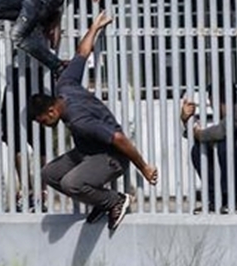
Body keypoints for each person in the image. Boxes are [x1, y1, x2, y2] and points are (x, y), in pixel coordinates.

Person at [27, 12, 158, 231]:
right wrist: (95, 27)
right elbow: (82, 53)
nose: (44, 126)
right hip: (86, 153)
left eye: (43, 122)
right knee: (49, 173)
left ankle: (114, 200)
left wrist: (143, 167)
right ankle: (100, 200)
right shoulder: (65, 86)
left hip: (111, 157)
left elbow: (118, 138)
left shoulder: (79, 120)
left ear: (51, 112)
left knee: (71, 183)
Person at [0, 0, 52, 211]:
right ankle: (29, 188)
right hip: (20, 70)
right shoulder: (32, 0)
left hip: (34, 70)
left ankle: (38, 190)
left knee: (34, 131)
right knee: (11, 129)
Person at [180, 86, 237, 214]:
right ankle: (216, 200)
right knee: (198, 149)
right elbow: (204, 137)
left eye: (211, 104)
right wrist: (187, 120)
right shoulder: (225, 117)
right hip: (234, 180)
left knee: (225, 145)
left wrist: (198, 133)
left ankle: (236, 201)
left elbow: (220, 132)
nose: (212, 108)